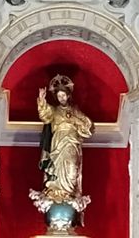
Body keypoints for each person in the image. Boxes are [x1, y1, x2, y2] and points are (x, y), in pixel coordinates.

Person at [37, 74, 93, 202]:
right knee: (56, 167)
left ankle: (70, 192)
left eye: (63, 95)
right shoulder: (54, 111)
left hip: (71, 142)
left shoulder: (75, 111)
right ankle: (55, 190)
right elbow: (44, 115)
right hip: (58, 141)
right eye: (59, 96)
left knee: (72, 167)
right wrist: (42, 100)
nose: (61, 98)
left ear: (68, 95)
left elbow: (88, 126)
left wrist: (74, 119)